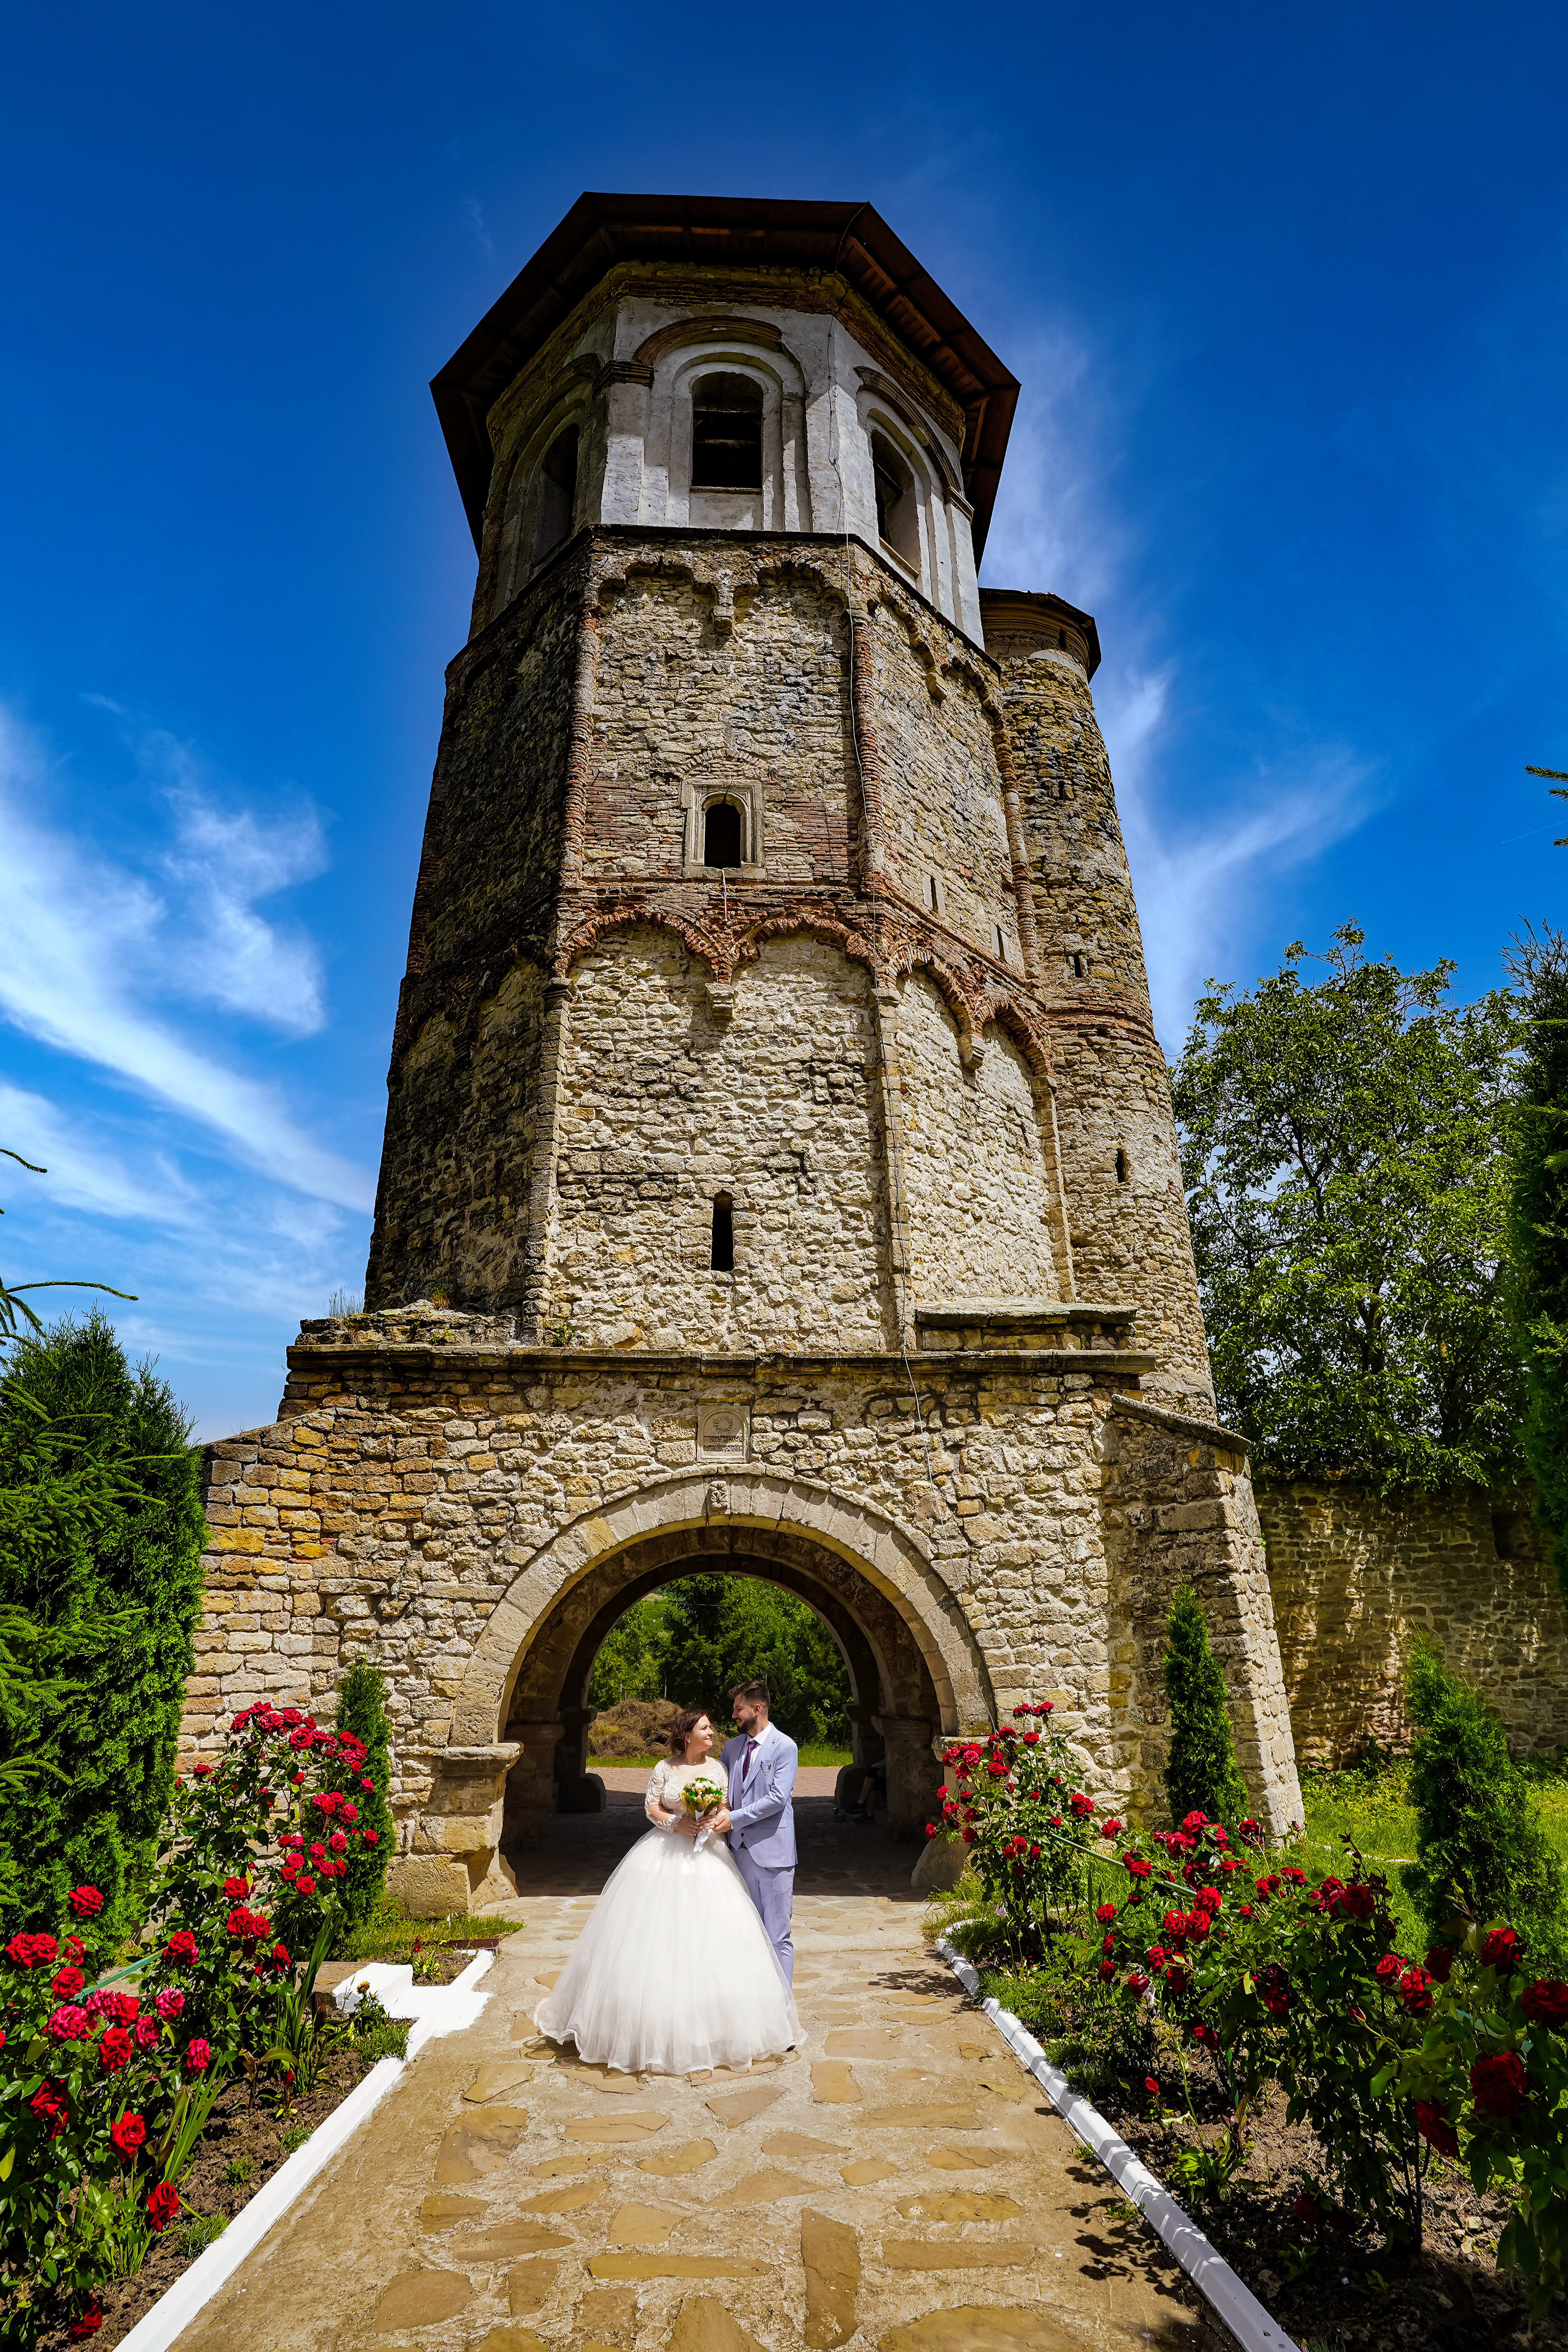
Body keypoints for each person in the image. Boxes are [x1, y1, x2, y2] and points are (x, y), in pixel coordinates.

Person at [532, 1706, 798, 2075]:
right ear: (687, 1734)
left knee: (714, 1938)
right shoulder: (664, 1768)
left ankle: (718, 2029)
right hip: (664, 1852)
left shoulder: (718, 1769)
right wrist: (678, 1823)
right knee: (655, 1938)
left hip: (708, 1857)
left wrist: (709, 1820)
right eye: (705, 1727)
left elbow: (724, 1806)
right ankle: (641, 2028)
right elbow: (651, 1807)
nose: (712, 1732)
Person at [713, 1678, 799, 1987]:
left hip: (774, 1854)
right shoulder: (732, 1748)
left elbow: (777, 1799)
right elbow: (719, 1789)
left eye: (739, 1709)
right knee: (747, 1932)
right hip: (739, 1854)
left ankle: (783, 2010)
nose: (734, 1715)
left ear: (757, 1709)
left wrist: (733, 1819)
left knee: (778, 1935)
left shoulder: (785, 1747)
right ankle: (754, 2004)